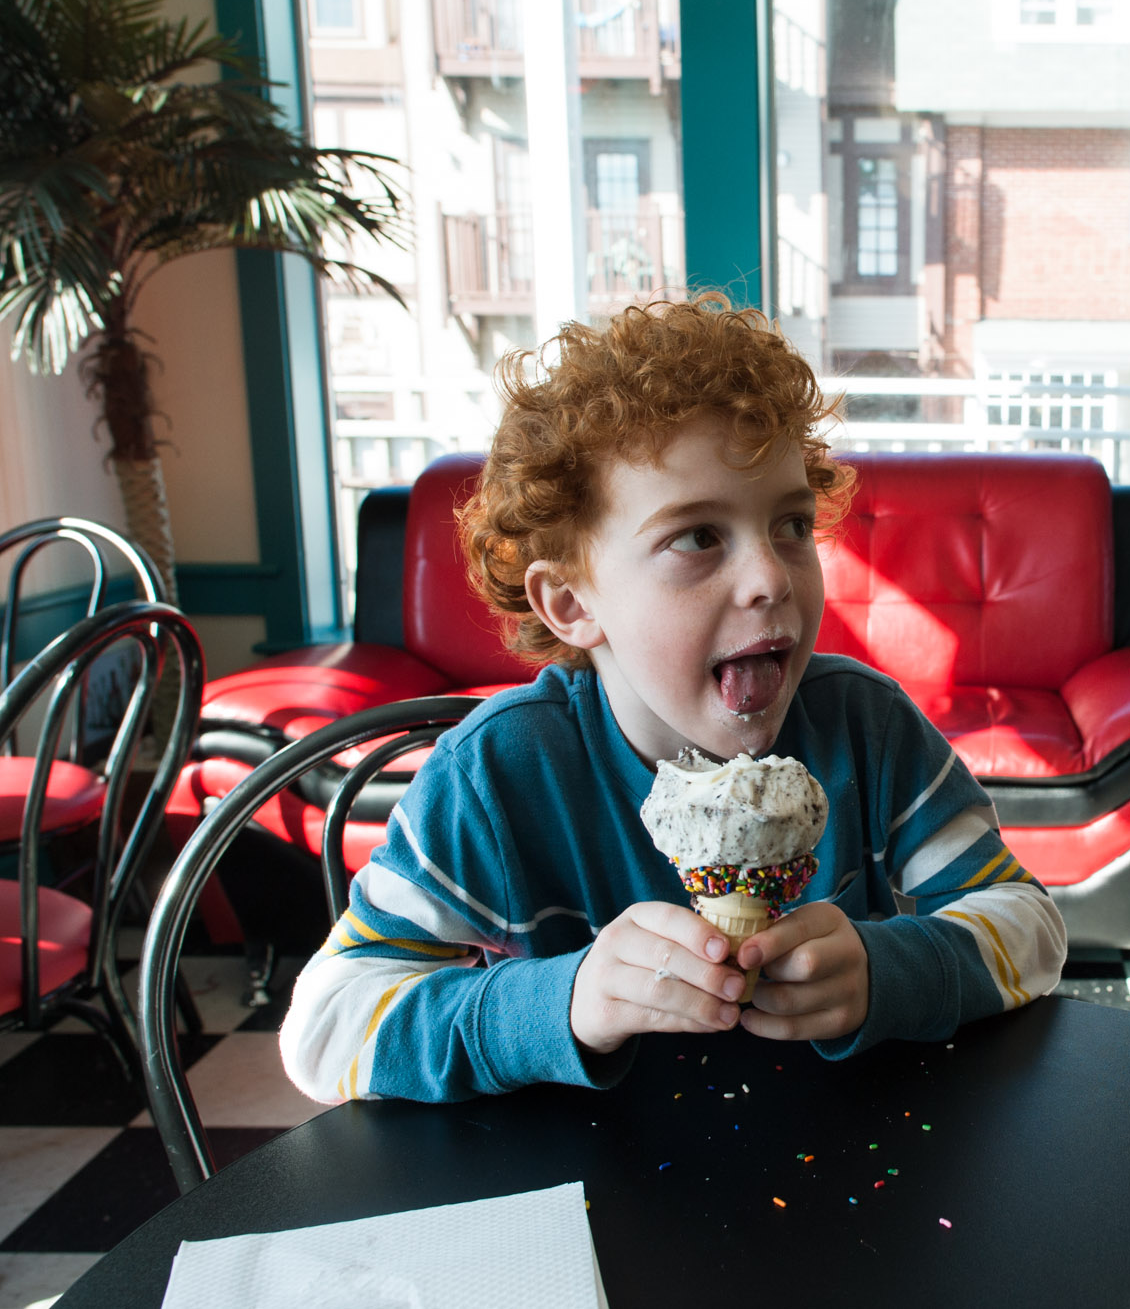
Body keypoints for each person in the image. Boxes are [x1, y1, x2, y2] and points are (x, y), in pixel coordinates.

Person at [280, 295, 1068, 1103]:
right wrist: (567, 999)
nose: (770, 578)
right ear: (573, 605)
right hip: (577, 1195)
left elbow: (1032, 926)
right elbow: (323, 1026)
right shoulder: (498, 776)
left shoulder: (866, 729)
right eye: (697, 537)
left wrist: (885, 969)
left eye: (792, 525)